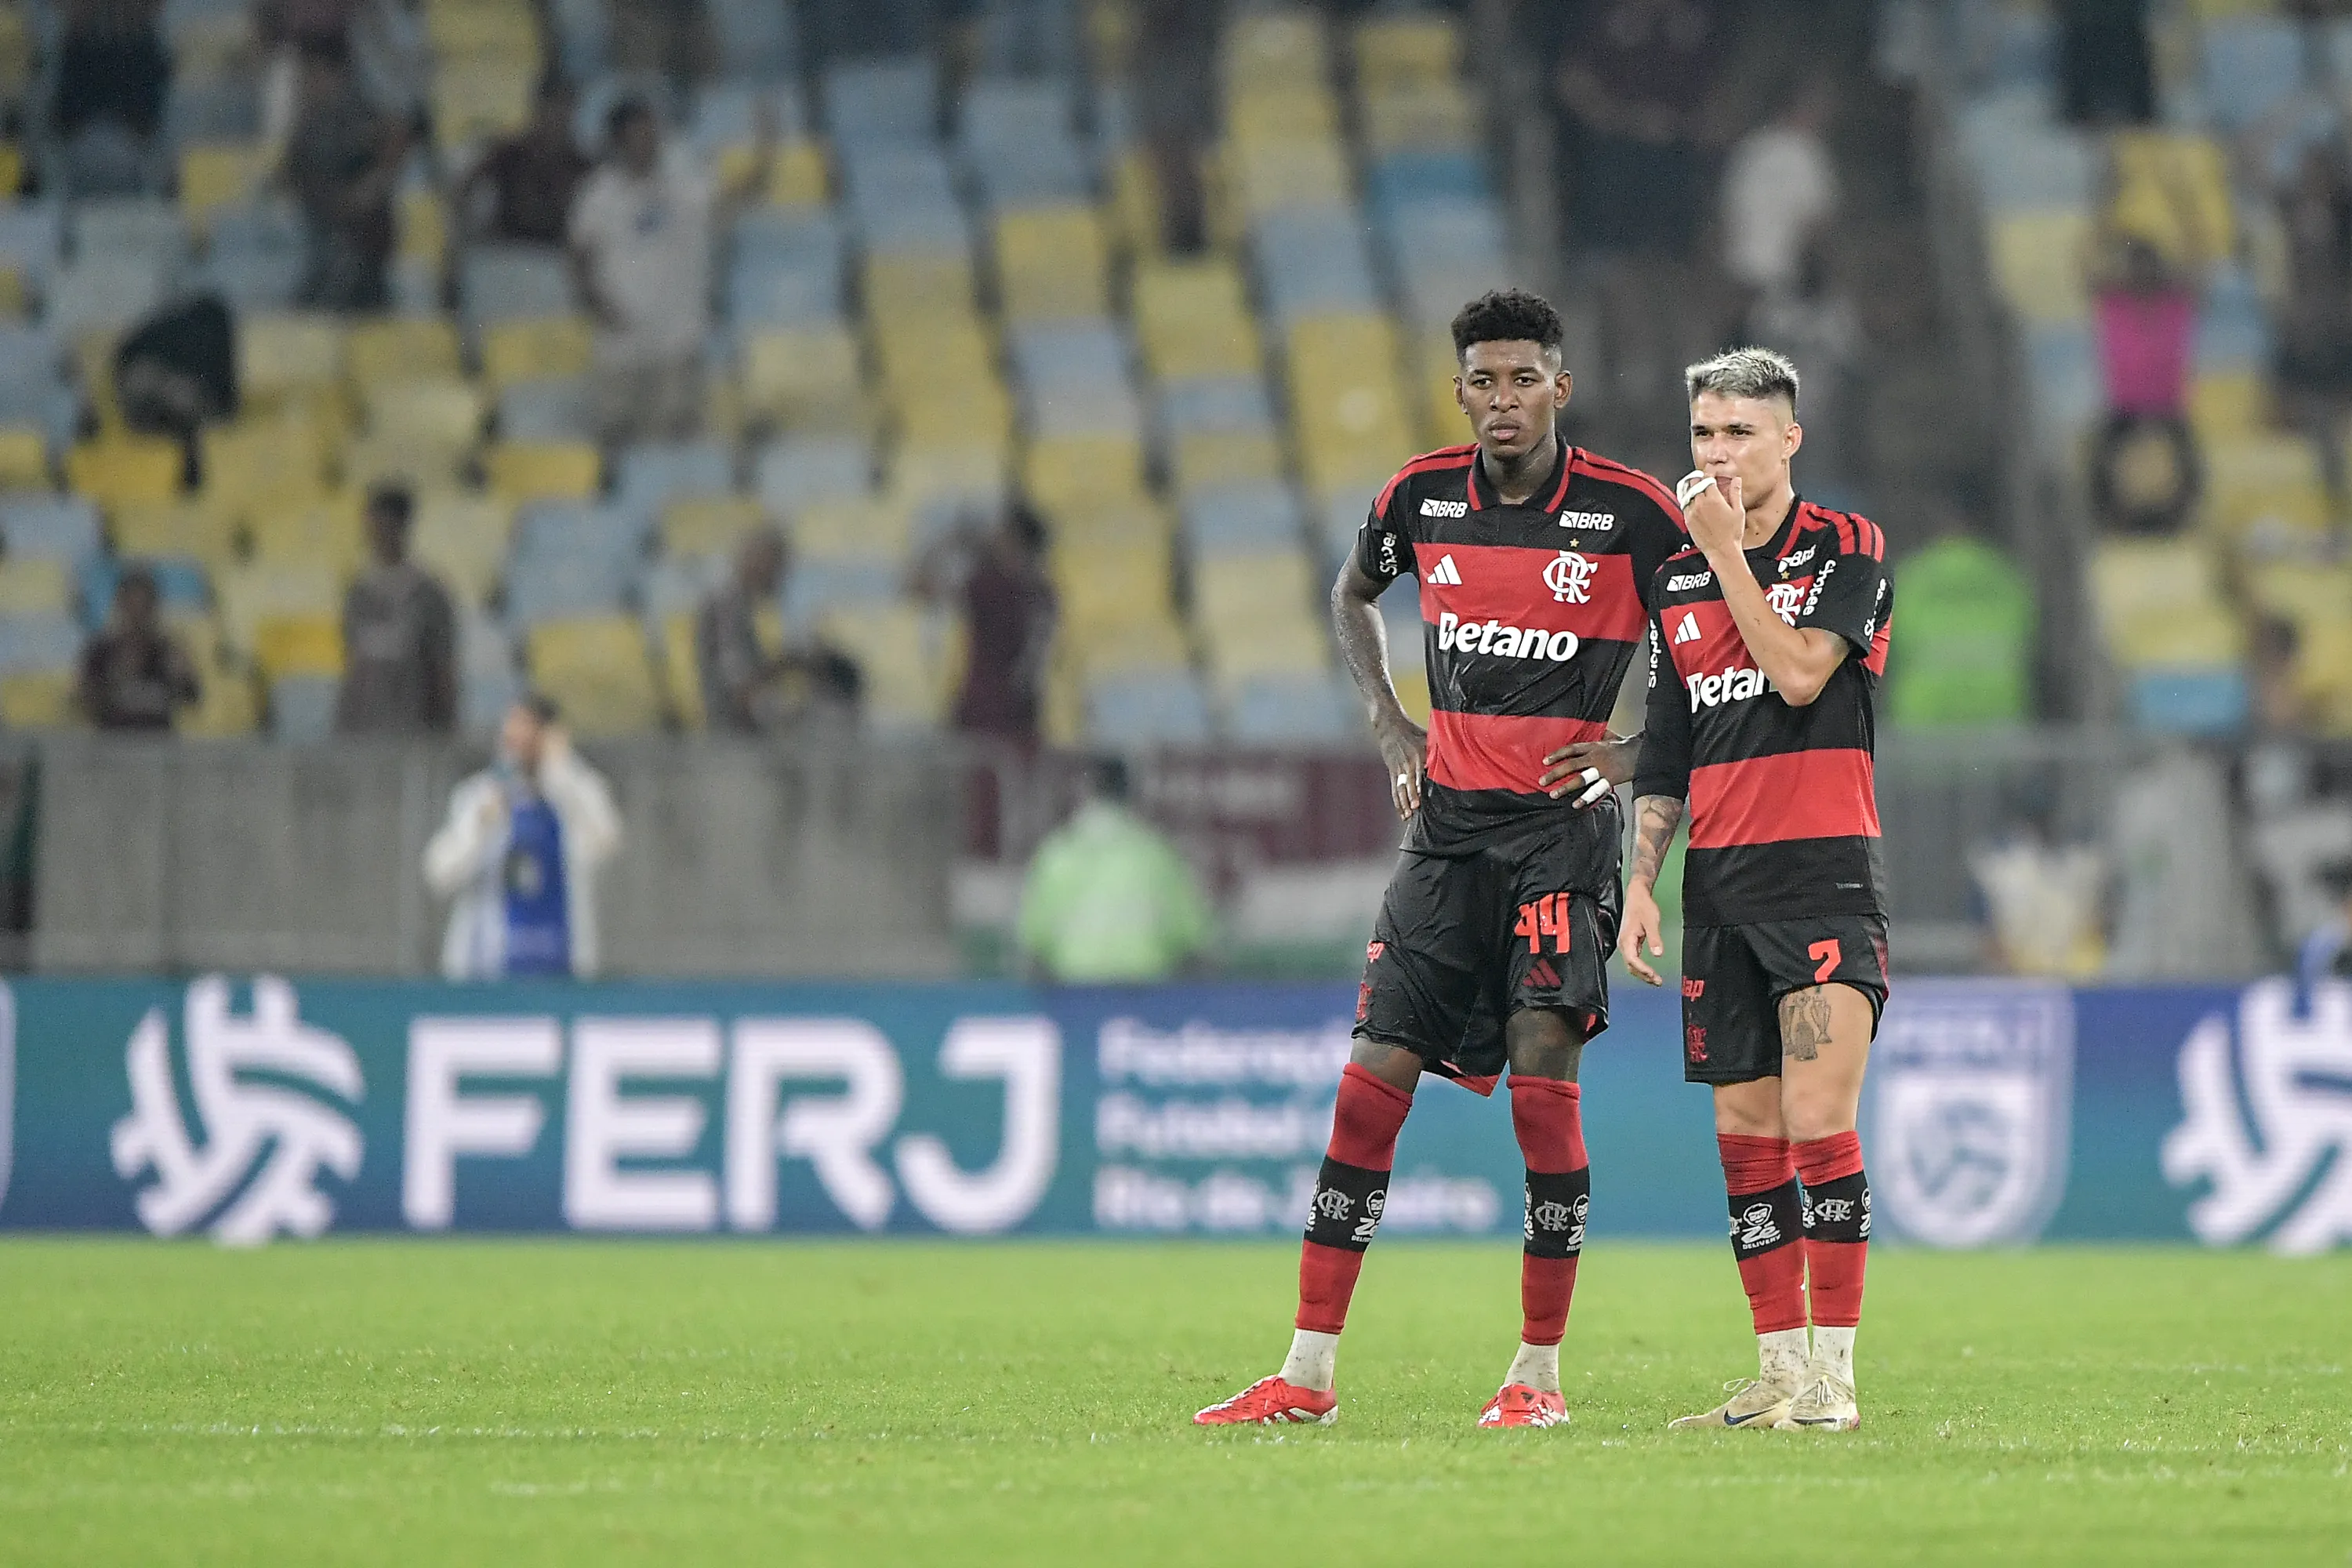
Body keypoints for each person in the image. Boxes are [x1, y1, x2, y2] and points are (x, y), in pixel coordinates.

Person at [1194, 289, 1689, 1430]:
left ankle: (1537, 1377)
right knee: (1369, 1083)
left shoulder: (1630, 513)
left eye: (1525, 379)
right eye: (1483, 381)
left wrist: (1635, 752)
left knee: (1542, 1089)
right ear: (1459, 391)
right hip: (1447, 838)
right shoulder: (1419, 498)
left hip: (1559, 840)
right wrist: (1389, 722)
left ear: (1561, 388)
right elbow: (1352, 594)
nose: (1503, 400)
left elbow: (1700, 639)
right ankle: (1306, 1374)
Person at [1620, 347, 1893, 1435]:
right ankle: (1778, 1368)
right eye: (1703, 433)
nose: (1718, 453)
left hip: (1822, 881)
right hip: (1720, 893)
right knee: (1745, 1134)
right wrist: (1643, 881)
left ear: (1790, 439)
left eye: (1740, 432)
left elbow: (1798, 672)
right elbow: (1667, 748)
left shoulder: (1847, 548)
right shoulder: (1675, 581)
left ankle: (1836, 1378)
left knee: (1819, 1121)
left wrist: (1727, 553)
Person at [568, 96, 772, 445]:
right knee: (617, 440)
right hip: (620, 346)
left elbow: (741, 196)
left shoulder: (685, 187)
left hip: (676, 344)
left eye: (652, 134)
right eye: (638, 136)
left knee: (673, 445)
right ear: (618, 142)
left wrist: (766, 148)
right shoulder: (597, 196)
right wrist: (597, 304)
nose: (649, 143)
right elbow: (578, 257)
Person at [423, 694, 622, 980]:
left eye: (526, 731)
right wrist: (479, 827)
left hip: (563, 969)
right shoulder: (480, 795)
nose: (515, 741)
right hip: (485, 971)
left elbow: (606, 845)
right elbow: (439, 873)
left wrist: (563, 775)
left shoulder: (578, 792)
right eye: (510, 732)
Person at [1017, 756, 1213, 982]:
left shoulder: (1056, 854)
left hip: (1073, 992)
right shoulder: (1156, 855)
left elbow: (1032, 943)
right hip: (1146, 993)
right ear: (1132, 794)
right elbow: (1193, 937)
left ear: (1085, 793)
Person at [913, 500, 1058, 747]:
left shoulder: (991, 586)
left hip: (983, 710)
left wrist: (950, 540)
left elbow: (922, 586)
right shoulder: (1044, 593)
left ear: (1012, 539)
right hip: (1023, 715)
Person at [281, 35, 408, 312]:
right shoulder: (307, 130)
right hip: (322, 238)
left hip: (365, 247)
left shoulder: (363, 114)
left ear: (333, 73)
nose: (304, 84)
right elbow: (301, 181)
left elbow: (397, 137)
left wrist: (375, 183)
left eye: (311, 74)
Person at [694, 526, 862, 733]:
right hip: (732, 730)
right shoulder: (725, 607)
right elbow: (740, 690)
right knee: (832, 720)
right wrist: (790, 663)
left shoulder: (747, 607)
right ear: (756, 561)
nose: (782, 577)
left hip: (747, 719)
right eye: (778, 566)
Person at [336, 483, 458, 735]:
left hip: (414, 725)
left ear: (401, 526)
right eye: (372, 525)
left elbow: (442, 666)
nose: (377, 534)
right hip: (364, 727)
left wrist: (446, 725)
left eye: (384, 524)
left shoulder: (428, 593)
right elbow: (353, 662)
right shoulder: (358, 594)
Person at [1720, 80, 1838, 299]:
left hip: (1742, 269)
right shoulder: (1807, 153)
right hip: (1787, 272)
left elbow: (1729, 212)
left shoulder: (1749, 147)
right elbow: (1819, 220)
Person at [457, 76, 593, 249]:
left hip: (554, 251)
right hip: (507, 248)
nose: (559, 116)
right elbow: (466, 185)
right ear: (539, 108)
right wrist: (469, 230)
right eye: (553, 108)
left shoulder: (580, 163)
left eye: (565, 108)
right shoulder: (509, 152)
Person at [77, 566, 199, 731]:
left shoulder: (166, 651)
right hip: (112, 741)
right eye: (132, 607)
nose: (137, 617)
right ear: (121, 606)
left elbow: (192, 698)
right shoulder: (102, 651)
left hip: (158, 742)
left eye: (144, 608)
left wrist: (183, 676)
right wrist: (116, 678)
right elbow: (83, 702)